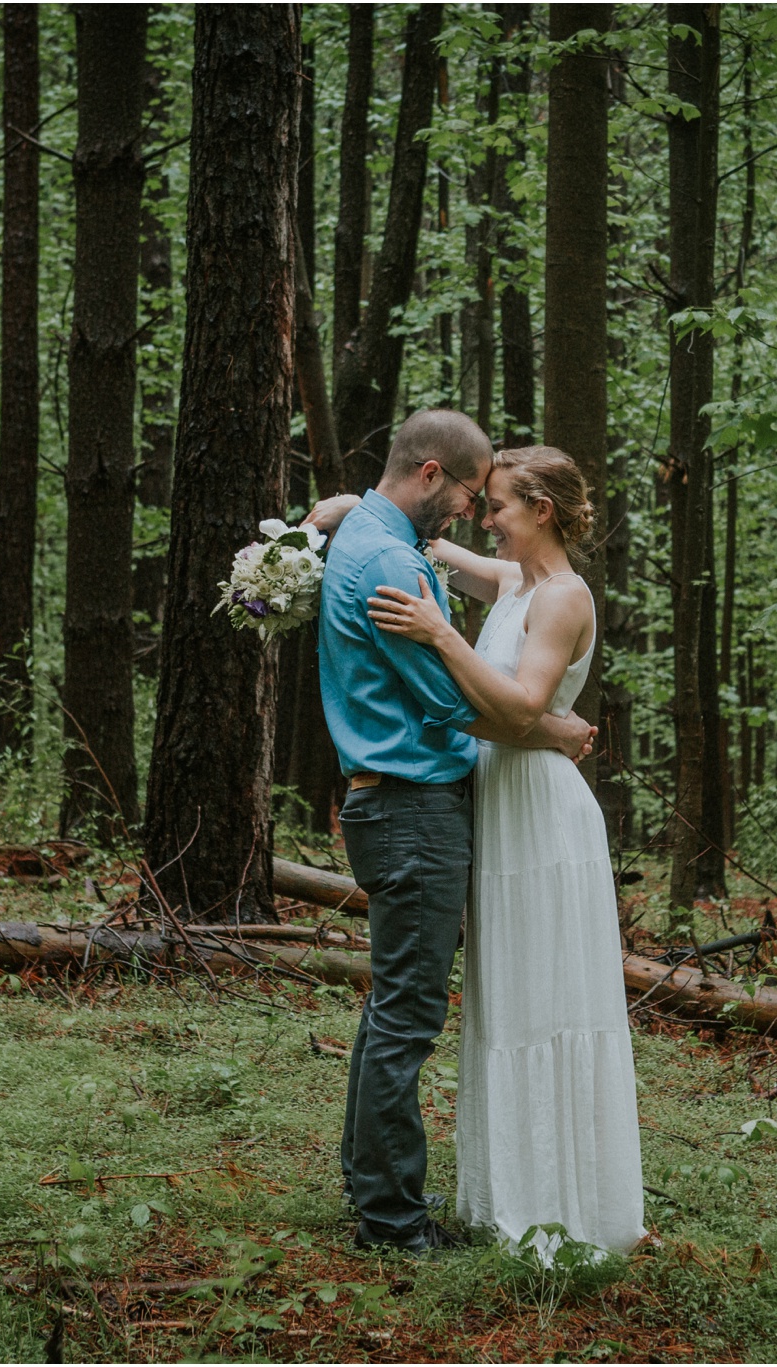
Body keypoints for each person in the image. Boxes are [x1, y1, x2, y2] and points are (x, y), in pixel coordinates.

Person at [313, 443, 646, 1257]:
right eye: (482, 500)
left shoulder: (563, 598)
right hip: (494, 805)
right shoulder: (511, 583)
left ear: (543, 511)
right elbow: (419, 538)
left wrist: (438, 633)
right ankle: (508, 1188)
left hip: (539, 813)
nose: (484, 518)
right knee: (504, 1004)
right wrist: (346, 510)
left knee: (549, 999)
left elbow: (525, 703)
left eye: (498, 505)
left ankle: (567, 1199)